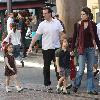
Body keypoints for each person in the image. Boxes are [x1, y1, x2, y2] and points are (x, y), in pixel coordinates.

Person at [27, 7, 65, 90]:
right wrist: (30, 46)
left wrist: (64, 44)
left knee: (58, 66)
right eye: (43, 13)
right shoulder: (42, 24)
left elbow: (62, 33)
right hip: (46, 49)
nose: (43, 15)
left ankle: (60, 84)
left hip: (56, 48)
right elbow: (36, 36)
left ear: (50, 13)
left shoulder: (57, 22)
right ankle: (47, 84)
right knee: (46, 67)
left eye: (45, 13)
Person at [71, 7, 100, 95]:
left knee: (90, 70)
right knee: (81, 70)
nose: (81, 16)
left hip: (91, 49)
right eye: (81, 14)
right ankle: (76, 84)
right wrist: (71, 49)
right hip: (81, 49)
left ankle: (90, 89)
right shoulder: (77, 24)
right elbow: (74, 38)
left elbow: (96, 38)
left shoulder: (93, 25)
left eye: (83, 14)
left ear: (87, 15)